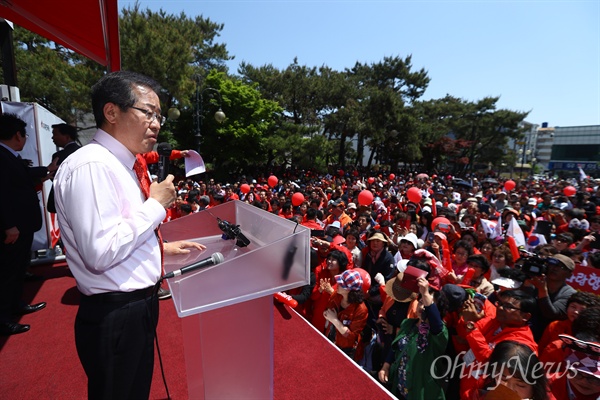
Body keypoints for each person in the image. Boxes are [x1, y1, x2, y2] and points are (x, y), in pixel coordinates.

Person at [53, 71, 205, 399]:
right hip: (116, 312)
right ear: (111, 112)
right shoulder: (93, 166)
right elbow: (100, 252)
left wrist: (163, 247)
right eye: (147, 112)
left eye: (159, 115)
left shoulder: (121, 164)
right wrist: (156, 205)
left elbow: (120, 230)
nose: (156, 123)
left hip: (136, 306)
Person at [0, 113, 47, 335]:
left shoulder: (9, 156)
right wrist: (8, 225)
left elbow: (23, 176)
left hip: (22, 225)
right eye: (24, 134)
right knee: (8, 273)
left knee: (18, 268)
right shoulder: (1, 157)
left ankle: (15, 304)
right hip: (13, 228)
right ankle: (3, 318)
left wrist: (48, 170)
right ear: (17, 135)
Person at [378, 277, 449, 399]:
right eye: (420, 302)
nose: (422, 307)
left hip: (421, 392)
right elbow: (396, 346)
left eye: (426, 305)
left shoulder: (438, 333)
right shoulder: (407, 323)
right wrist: (386, 366)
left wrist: (425, 292)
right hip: (400, 388)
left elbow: (436, 324)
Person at [323, 269, 369, 361]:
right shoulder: (337, 295)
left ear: (349, 290)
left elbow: (350, 336)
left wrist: (334, 320)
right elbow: (327, 312)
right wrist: (328, 316)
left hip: (346, 349)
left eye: (341, 283)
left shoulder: (361, 310)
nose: (337, 284)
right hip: (331, 337)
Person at [46, 123, 82, 213]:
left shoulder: (59, 155)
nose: (52, 138)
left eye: (55, 134)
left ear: (66, 137)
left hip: (63, 201)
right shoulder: (84, 151)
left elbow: (54, 177)